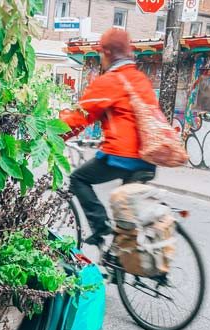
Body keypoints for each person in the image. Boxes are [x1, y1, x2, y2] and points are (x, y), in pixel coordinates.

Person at [60, 28, 159, 245]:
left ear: (106, 53)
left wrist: (51, 135)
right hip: (148, 158)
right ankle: (124, 266)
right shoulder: (141, 79)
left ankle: (100, 225)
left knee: (78, 179)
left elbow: (80, 117)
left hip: (121, 156)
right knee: (127, 217)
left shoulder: (111, 81)